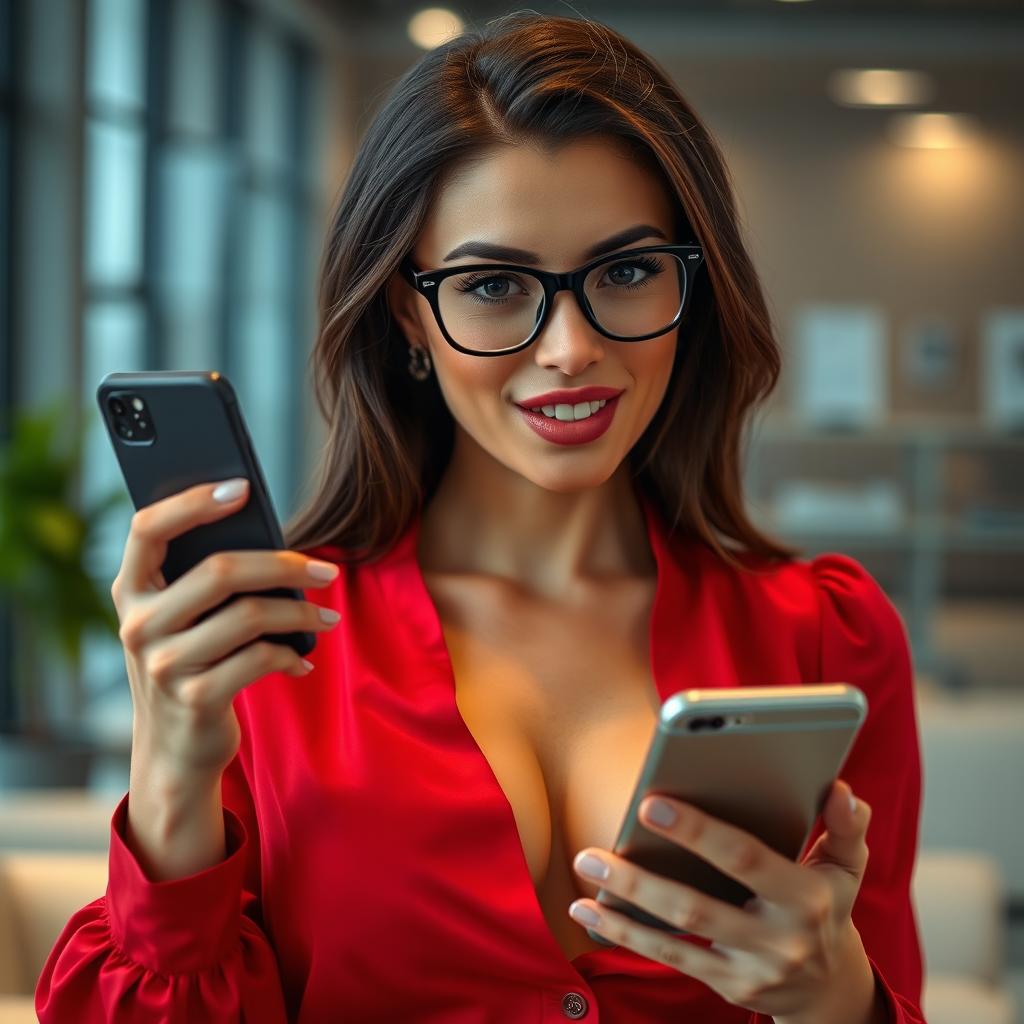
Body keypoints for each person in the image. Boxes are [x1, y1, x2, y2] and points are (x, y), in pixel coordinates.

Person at [35, 11, 926, 1023]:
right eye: (495, 285)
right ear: (407, 312)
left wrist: (840, 998)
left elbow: (888, 982)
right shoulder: (269, 645)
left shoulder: (825, 634)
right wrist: (167, 775)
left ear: (695, 286)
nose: (570, 348)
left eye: (626, 271)